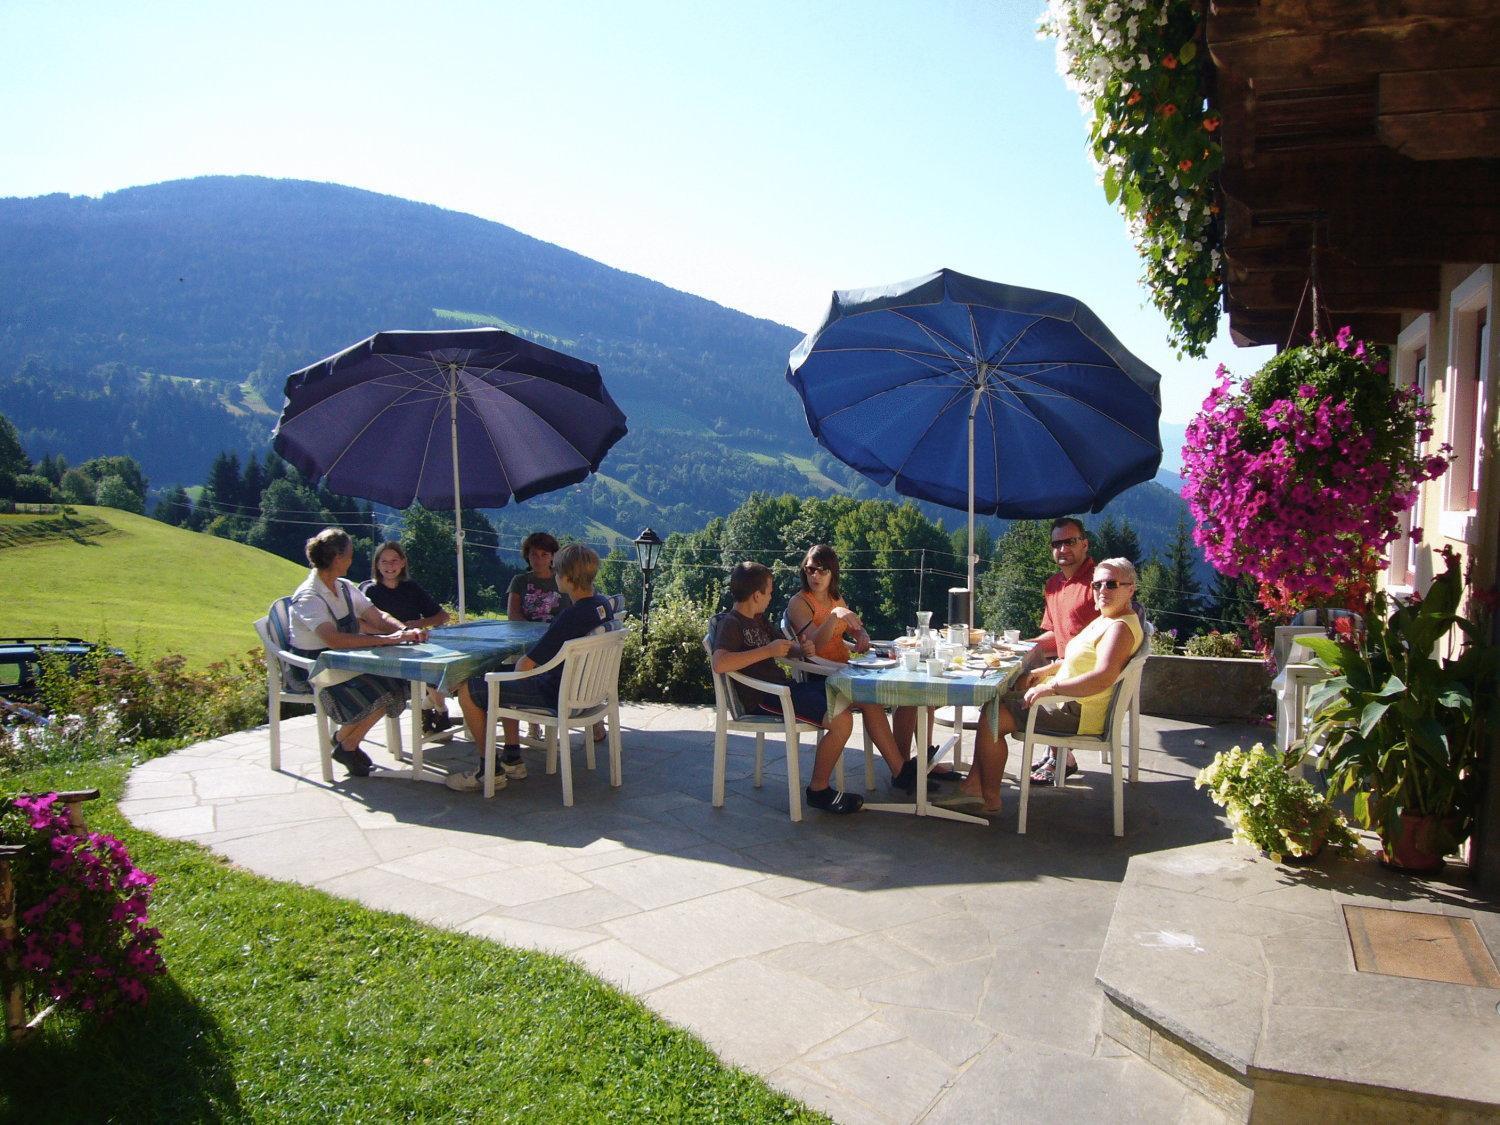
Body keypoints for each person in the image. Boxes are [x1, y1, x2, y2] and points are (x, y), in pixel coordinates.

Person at [950, 557, 1143, 814]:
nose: (1102, 591)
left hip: (1078, 712)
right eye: (1097, 585)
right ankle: (974, 785)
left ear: (1130, 588)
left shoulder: (1119, 628)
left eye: (1112, 584)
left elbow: (1102, 677)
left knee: (993, 714)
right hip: (1075, 703)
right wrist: (1046, 670)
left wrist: (1051, 689)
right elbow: (1079, 660)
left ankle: (988, 797)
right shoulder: (1109, 618)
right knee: (1000, 699)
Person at [447, 544, 615, 792]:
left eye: (557, 572)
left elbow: (526, 665)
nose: (554, 575)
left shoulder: (570, 617)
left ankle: (488, 771)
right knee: (500, 679)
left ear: (567, 579)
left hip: (555, 694)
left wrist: (500, 677)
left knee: (470, 689)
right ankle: (513, 758)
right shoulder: (602, 604)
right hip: (586, 696)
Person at [713, 561, 863, 815]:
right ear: (757, 594)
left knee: (845, 698)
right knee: (842, 719)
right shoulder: (732, 623)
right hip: (766, 699)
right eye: (769, 591)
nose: (771, 597)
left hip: (784, 689)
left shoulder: (758, 619)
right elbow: (720, 663)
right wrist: (767, 651)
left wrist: (798, 649)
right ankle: (818, 791)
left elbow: (780, 645)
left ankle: (822, 786)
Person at [784, 544, 926, 794]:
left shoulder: (835, 598)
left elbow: (851, 628)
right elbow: (813, 646)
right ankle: (901, 771)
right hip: (821, 675)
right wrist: (834, 616)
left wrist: (861, 634)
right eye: (809, 569)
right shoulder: (799, 603)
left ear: (832, 573)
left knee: (906, 692)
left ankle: (903, 764)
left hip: (845, 666)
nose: (814, 576)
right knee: (870, 698)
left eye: (821, 570)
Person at [287, 528, 427, 778]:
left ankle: (345, 742)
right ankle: (347, 744)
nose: (353, 559)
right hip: (314, 667)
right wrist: (385, 640)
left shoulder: (343, 587)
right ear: (337, 558)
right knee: (384, 689)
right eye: (350, 554)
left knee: (396, 682)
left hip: (345, 659)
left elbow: (378, 616)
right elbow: (333, 639)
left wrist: (405, 630)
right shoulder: (309, 596)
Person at [1026, 517, 1101, 785]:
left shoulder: (1100, 584)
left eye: (1070, 541)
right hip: (1063, 665)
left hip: (1086, 675)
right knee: (1022, 676)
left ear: (1085, 544)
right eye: (1057, 543)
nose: (1063, 549)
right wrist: (1024, 645)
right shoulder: (1053, 585)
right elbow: (1055, 634)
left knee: (1018, 695)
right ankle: (1055, 750)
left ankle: (1063, 757)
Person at [361, 540, 453, 734]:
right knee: (430, 669)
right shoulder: (371, 591)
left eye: (394, 560)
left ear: (403, 562)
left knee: (439, 665)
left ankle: (434, 708)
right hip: (385, 649)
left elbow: (442, 616)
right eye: (384, 561)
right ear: (376, 565)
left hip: (415, 643)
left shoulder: (410, 588)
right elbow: (361, 624)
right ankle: (437, 709)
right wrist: (393, 635)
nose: (389, 566)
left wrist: (416, 624)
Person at [507, 531, 570, 623]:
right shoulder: (519, 581)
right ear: (527, 556)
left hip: (560, 634)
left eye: (544, 554)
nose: (539, 559)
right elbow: (513, 615)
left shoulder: (565, 579)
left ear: (553, 556)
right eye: (534, 554)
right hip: (526, 635)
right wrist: (531, 632)